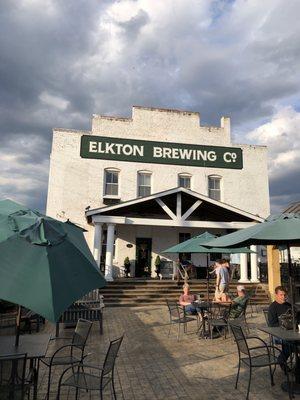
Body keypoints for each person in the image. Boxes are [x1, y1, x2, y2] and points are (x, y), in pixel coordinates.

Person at [268, 286, 292, 369]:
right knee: (291, 343)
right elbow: (272, 325)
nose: (283, 297)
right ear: (276, 295)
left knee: (296, 343)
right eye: (281, 295)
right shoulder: (272, 307)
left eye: (285, 295)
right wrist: (284, 325)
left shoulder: (289, 306)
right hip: (277, 334)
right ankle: (281, 360)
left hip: (290, 332)